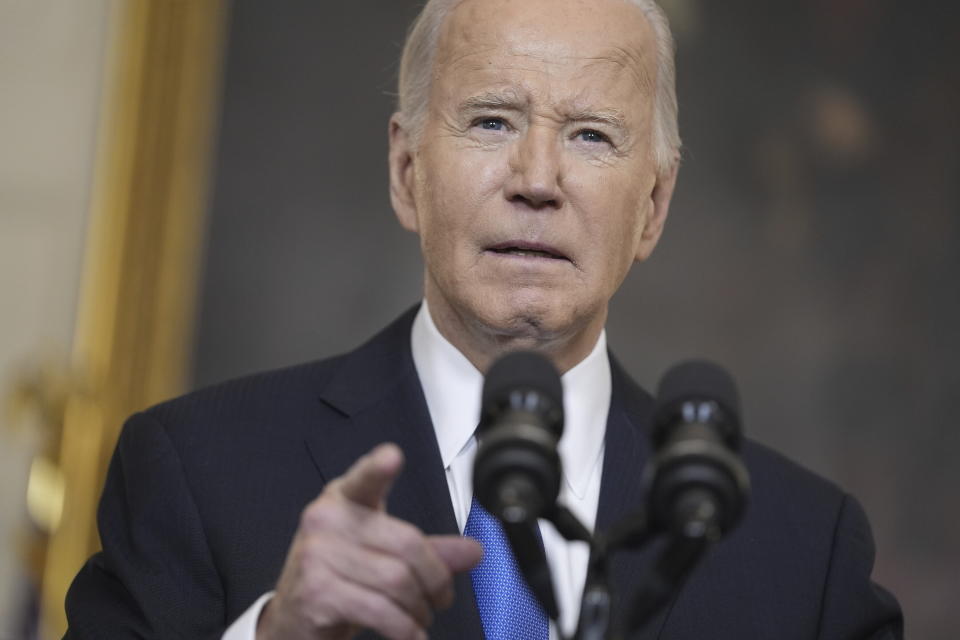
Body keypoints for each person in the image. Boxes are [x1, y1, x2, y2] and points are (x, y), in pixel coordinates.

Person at [64, 0, 903, 638]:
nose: (537, 178)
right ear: (405, 172)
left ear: (653, 205)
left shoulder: (803, 548)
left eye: (591, 136)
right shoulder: (196, 473)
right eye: (493, 120)